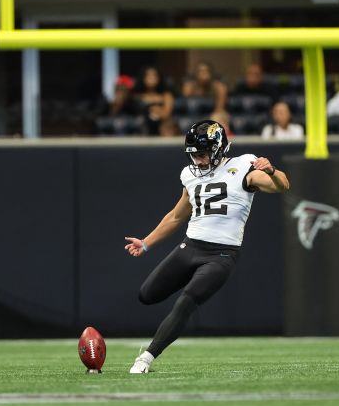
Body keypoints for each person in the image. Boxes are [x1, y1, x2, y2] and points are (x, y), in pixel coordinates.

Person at [123, 121, 290, 373]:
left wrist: (273, 170)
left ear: (218, 149)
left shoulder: (243, 165)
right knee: (147, 295)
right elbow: (177, 216)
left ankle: (146, 357)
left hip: (221, 254)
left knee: (186, 301)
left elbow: (282, 186)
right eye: (194, 155)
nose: (198, 161)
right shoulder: (190, 174)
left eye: (202, 155)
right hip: (190, 247)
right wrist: (146, 242)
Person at [134, 67, 176, 135]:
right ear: (143, 78)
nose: (151, 78)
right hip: (142, 128)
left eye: (154, 75)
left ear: (159, 77)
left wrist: (157, 110)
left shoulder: (166, 95)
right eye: (148, 75)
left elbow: (167, 114)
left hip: (161, 128)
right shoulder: (137, 95)